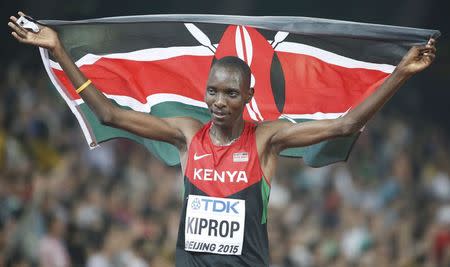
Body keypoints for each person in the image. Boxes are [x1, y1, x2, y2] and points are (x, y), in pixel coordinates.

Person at [8, 11, 437, 267]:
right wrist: (60, 49)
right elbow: (109, 113)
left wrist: (399, 73)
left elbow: (344, 126)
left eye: (231, 93)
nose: (218, 101)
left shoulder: (265, 140)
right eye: (213, 91)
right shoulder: (186, 134)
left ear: (248, 96)